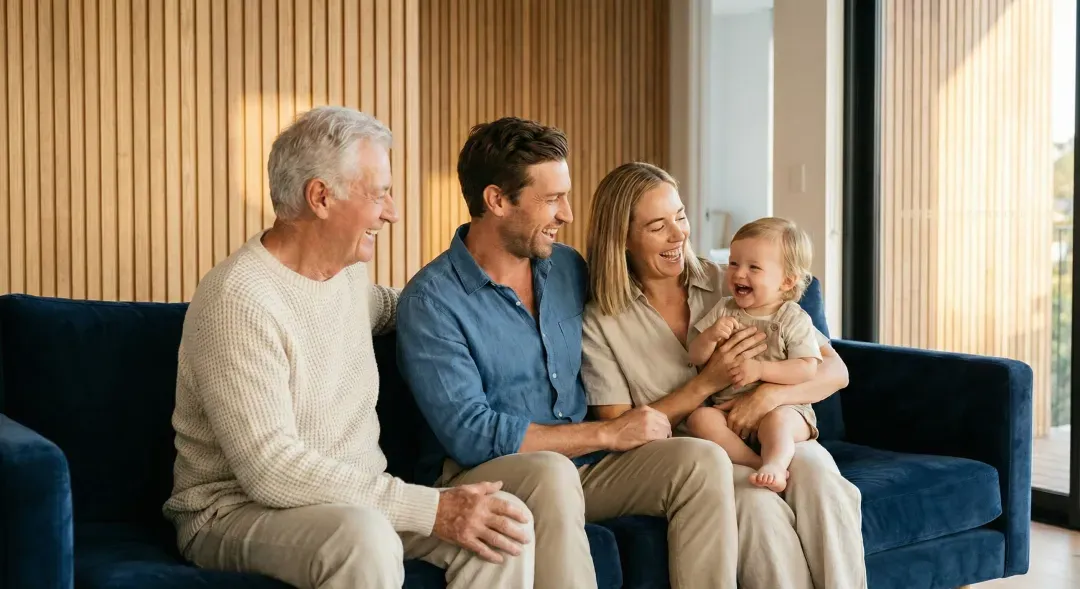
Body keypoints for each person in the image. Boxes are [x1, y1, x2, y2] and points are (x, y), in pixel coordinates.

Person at [163, 106, 535, 589]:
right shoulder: (238, 299)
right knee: (366, 537)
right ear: (320, 197)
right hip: (233, 513)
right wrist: (431, 508)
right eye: (379, 193)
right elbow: (270, 470)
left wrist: (491, 302)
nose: (392, 211)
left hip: (356, 506)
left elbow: (409, 309)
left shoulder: (346, 278)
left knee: (504, 524)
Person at [396, 117, 741, 589]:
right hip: (489, 475)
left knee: (700, 461)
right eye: (552, 199)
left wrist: (750, 287)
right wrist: (608, 432)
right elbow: (472, 435)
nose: (568, 214)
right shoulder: (432, 303)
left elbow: (639, 294)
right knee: (553, 473)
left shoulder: (566, 268)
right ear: (497, 200)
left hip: (588, 468)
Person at [581, 162, 867, 589]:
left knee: (820, 477)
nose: (679, 235)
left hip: (775, 433)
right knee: (757, 506)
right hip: (698, 454)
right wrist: (706, 384)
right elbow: (619, 427)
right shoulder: (601, 321)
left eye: (680, 216)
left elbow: (835, 370)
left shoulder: (732, 279)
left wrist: (766, 399)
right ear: (622, 237)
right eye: (659, 226)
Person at [686, 217, 824, 492]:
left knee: (778, 422)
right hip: (730, 412)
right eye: (734, 263)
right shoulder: (724, 309)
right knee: (700, 419)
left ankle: (775, 463)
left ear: (786, 281)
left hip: (785, 410)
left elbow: (807, 368)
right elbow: (694, 356)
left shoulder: (793, 318)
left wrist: (761, 371)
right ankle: (753, 462)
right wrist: (710, 335)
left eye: (754, 268)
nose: (738, 274)